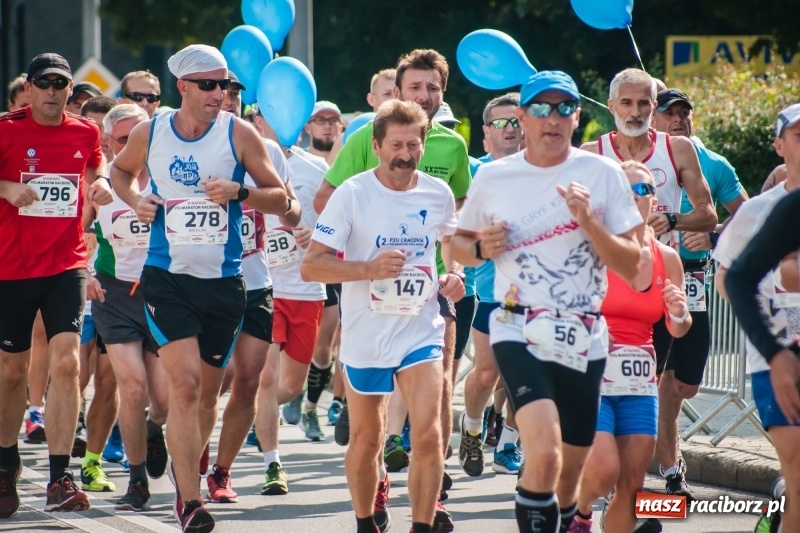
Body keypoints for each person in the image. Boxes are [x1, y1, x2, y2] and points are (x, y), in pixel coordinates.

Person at [452, 70, 644, 533]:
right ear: (521, 117)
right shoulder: (496, 176)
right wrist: (481, 249)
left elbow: (635, 264)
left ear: (578, 117)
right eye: (540, 108)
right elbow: (455, 246)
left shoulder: (602, 175)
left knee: (571, 468)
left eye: (563, 108)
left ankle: (561, 519)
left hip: (584, 332)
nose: (551, 118)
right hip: (519, 325)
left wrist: (589, 222)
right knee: (544, 451)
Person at [109, 44, 288, 532]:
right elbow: (120, 171)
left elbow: (283, 200)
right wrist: (136, 201)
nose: (219, 94)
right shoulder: (152, 131)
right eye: (209, 85)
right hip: (167, 278)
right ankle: (189, 502)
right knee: (184, 387)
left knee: (209, 394)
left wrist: (240, 192)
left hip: (224, 284)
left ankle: (190, 467)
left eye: (225, 85)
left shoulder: (239, 133)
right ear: (183, 87)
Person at [314, 49, 470, 529]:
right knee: (367, 439)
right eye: (396, 146)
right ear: (377, 145)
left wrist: (455, 276)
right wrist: (368, 269)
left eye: (414, 145)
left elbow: (450, 244)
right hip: (366, 332)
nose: (406, 155)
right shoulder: (353, 194)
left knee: (427, 433)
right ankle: (365, 521)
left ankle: (421, 524)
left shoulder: (437, 192)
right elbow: (312, 266)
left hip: (419, 327)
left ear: (424, 143)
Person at [581, 68, 717, 499]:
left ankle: (625, 476)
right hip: (612, 287)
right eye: (628, 103)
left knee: (685, 383)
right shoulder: (591, 153)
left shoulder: (677, 148)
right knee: (646, 380)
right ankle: (653, 474)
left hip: (670, 276)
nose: (637, 112)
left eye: (645, 104)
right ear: (612, 107)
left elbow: (709, 214)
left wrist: (672, 219)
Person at [0, 52, 112, 517]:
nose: (51, 90)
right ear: (28, 88)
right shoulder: (5, 128)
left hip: (66, 265)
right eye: (42, 83)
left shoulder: (84, 131)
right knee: (11, 371)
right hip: (11, 268)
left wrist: (101, 183)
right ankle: (6, 468)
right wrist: (5, 187)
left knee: (66, 364)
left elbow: (97, 165)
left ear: (70, 90)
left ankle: (59, 477)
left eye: (59, 84)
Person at [568, 161, 691, 533]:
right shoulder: (590, 248)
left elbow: (679, 327)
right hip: (591, 376)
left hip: (639, 382)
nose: (636, 196)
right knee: (604, 468)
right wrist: (589, 326)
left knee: (633, 483)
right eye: (627, 188)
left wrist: (679, 313)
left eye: (644, 189)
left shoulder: (667, 259)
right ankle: (580, 512)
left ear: (654, 201)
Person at [650, 87, 748, 500]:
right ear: (655, 121)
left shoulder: (713, 163)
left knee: (685, 385)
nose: (677, 120)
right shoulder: (639, 160)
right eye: (668, 113)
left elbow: (743, 214)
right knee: (658, 380)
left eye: (683, 113)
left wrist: (711, 235)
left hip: (695, 287)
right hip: (649, 282)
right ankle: (669, 471)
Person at [205, 101, 300, 503]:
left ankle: (221, 473)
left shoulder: (266, 149)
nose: (225, 100)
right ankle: (193, 457)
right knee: (206, 384)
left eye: (233, 95)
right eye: (215, 90)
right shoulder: (183, 145)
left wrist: (246, 194)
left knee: (249, 380)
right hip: (203, 280)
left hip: (256, 280)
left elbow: (292, 211)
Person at [715, 102, 800, 533]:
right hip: (776, 359)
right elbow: (729, 279)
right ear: (779, 145)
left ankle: (777, 512)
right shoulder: (761, 211)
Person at [87, 103, 170, 511]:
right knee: (132, 387)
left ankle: (154, 429)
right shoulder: (101, 185)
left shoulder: (167, 178)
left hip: (161, 294)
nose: (134, 145)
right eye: (123, 140)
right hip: (114, 295)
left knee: (166, 400)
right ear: (108, 142)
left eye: (142, 136)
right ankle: (137, 481)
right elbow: (71, 233)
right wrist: (85, 275)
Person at [459, 92, 525, 479]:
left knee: (525, 375)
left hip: (533, 294)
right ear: (486, 133)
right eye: (500, 123)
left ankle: (508, 444)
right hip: (489, 291)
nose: (510, 129)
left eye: (515, 121)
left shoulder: (545, 171)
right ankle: (470, 429)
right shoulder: (475, 173)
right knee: (487, 374)